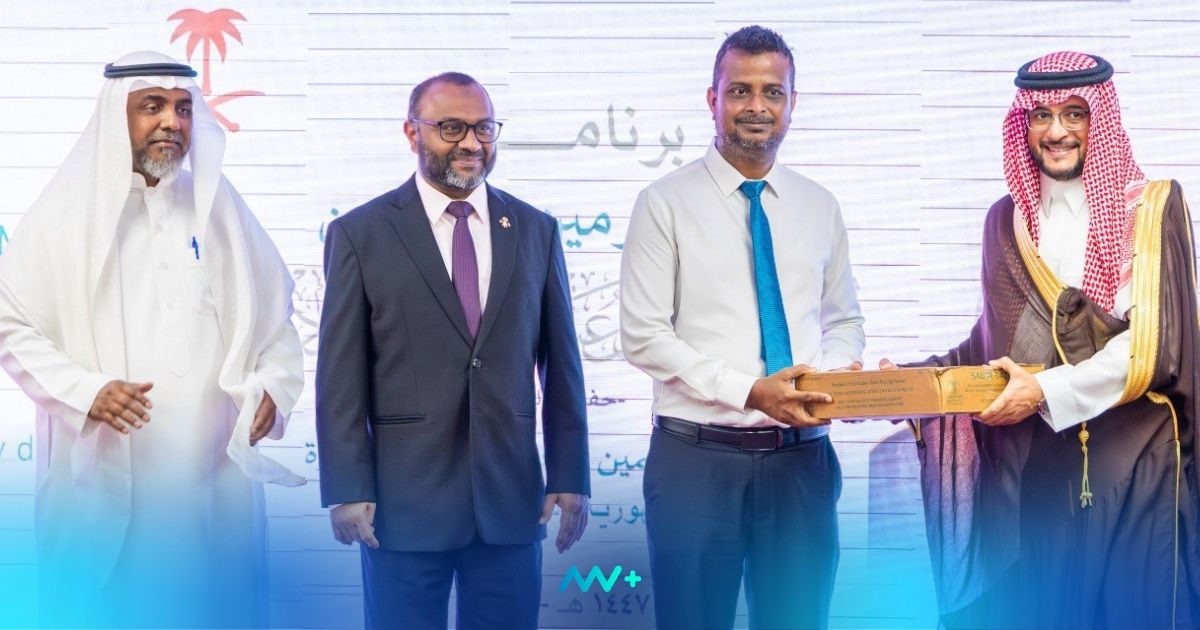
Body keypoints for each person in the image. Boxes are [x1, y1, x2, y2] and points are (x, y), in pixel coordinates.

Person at [884, 51, 1200, 629]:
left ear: (1100, 118)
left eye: (1075, 113)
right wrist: (905, 386)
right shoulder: (1004, 222)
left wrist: (1045, 391)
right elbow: (990, 346)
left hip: (1135, 463)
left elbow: (1153, 344)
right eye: (1041, 115)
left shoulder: (1150, 209)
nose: (1056, 132)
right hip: (1037, 475)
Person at [0, 51, 305, 628]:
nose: (172, 121)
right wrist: (86, 391)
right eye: (153, 106)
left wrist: (273, 386)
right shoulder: (63, 213)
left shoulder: (217, 206)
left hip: (212, 477)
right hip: (107, 473)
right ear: (117, 115)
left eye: (184, 108)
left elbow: (276, 319)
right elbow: (11, 324)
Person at [316, 71, 590, 630]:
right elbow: (340, 376)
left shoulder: (536, 229)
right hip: (401, 507)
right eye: (451, 128)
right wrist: (346, 488)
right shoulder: (360, 234)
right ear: (411, 133)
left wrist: (570, 474)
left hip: (509, 502)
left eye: (483, 128)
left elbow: (562, 368)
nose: (471, 142)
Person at [620, 25, 865, 630]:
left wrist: (835, 380)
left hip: (802, 465)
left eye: (772, 92)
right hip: (696, 465)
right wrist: (751, 392)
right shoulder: (664, 203)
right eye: (740, 91)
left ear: (792, 103)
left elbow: (844, 319)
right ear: (713, 99)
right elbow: (644, 335)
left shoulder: (819, 205)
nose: (757, 106)